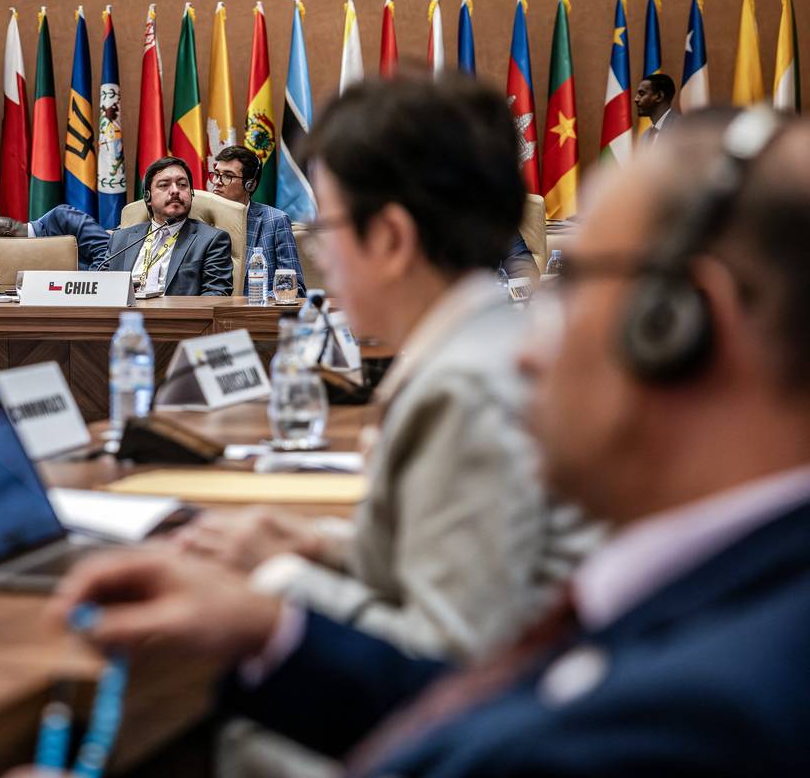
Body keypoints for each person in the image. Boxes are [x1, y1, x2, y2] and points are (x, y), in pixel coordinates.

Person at [49, 108, 810, 776]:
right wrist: (286, 598)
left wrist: (274, 583)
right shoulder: (729, 587)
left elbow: (471, 703)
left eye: (572, 288)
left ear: (680, 327)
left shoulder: (710, 719)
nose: (528, 353)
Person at [172, 74, 592, 661]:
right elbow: (447, 560)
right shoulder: (498, 340)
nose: (320, 254)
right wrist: (317, 546)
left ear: (392, 239)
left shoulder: (464, 387)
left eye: (328, 230)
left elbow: (444, 661)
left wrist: (272, 584)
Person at [102, 156, 232, 296]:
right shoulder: (120, 239)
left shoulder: (212, 240)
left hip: (174, 316)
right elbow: (100, 288)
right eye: (164, 185)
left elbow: (216, 295)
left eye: (182, 185)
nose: (175, 191)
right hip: (123, 316)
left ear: (191, 193)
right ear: (147, 197)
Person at [210, 145, 306, 296]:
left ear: (250, 184)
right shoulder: (201, 221)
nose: (217, 181)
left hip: (253, 314)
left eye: (228, 176)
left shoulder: (276, 222)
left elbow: (294, 288)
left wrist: (253, 301)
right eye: (216, 174)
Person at [0, 205, 111, 271]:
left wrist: (86, 288)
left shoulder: (60, 216)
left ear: (7, 236)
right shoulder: (24, 255)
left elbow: (107, 250)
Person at [635, 73, 678, 146]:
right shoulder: (645, 136)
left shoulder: (683, 128)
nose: (636, 99)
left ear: (659, 96)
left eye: (642, 94)